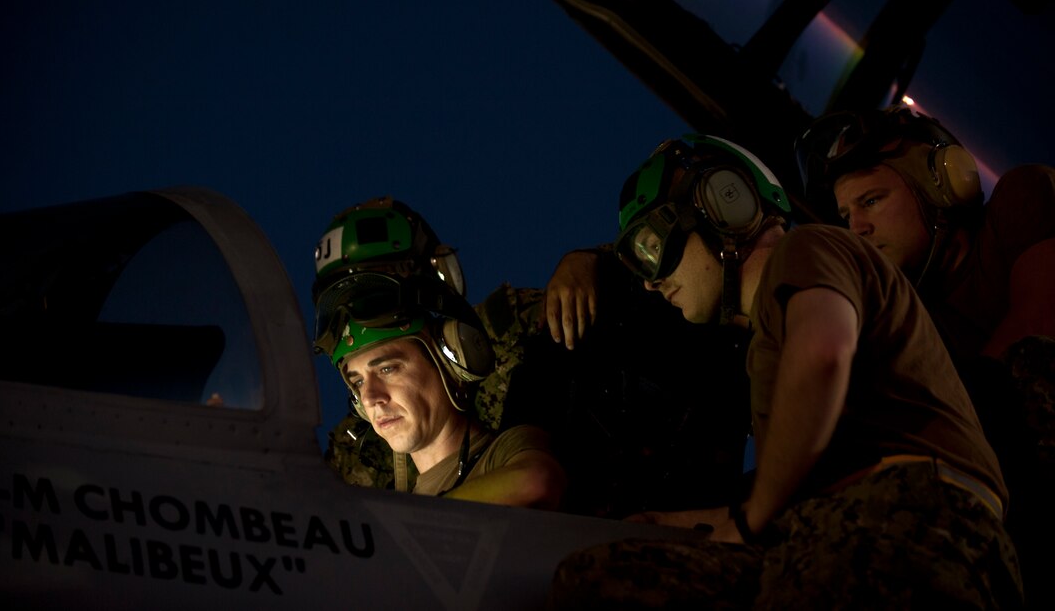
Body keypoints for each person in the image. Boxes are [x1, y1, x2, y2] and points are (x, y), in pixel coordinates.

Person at [550, 134, 1022, 608]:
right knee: (607, 575)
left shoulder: (807, 249)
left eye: (655, 245)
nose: (652, 281)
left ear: (725, 206)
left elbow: (823, 355)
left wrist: (748, 520)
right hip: (850, 523)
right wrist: (681, 523)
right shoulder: (766, 342)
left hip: (911, 517)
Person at [795, 104, 1055, 605]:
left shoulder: (1023, 198)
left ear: (943, 183)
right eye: (847, 216)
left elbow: (1040, 329)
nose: (857, 228)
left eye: (872, 201)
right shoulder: (908, 321)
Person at [311, 196, 565, 508]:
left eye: (388, 368)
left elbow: (536, 480)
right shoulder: (371, 479)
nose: (370, 398)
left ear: (450, 358)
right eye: (358, 382)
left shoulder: (501, 451)